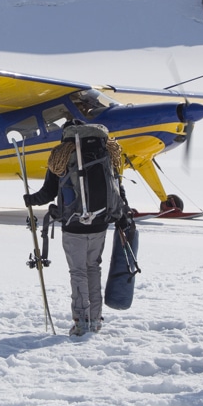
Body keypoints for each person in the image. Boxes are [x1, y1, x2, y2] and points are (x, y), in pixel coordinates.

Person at [24, 121, 130, 336]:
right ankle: (95, 320)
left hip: (73, 225)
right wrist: (122, 215)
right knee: (93, 269)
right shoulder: (107, 151)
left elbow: (48, 193)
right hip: (100, 222)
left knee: (78, 272)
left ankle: (81, 321)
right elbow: (117, 187)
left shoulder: (61, 155)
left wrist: (29, 199)